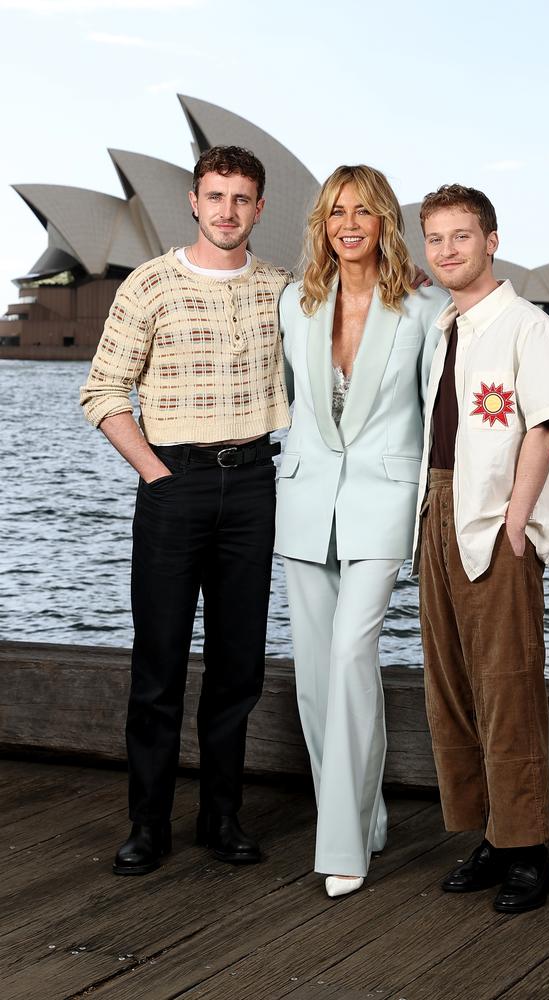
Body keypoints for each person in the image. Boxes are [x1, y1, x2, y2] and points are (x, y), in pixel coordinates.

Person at [80, 146, 291, 875]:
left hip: (255, 481)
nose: (227, 210)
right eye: (215, 196)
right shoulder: (149, 286)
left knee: (239, 667)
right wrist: (157, 476)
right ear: (194, 204)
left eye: (241, 198)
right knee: (159, 663)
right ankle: (148, 825)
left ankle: (222, 818)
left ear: (259, 208)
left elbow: (347, 341)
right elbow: (103, 392)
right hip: (175, 484)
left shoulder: (282, 291)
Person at [275, 165, 449, 898]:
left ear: (384, 223)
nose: (350, 223)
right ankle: (366, 813)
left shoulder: (421, 309)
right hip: (306, 504)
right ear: (323, 222)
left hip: (383, 502)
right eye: (337, 211)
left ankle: (343, 843)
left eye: (365, 211)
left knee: (350, 655)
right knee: (316, 679)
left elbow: (444, 411)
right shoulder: (295, 302)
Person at [413, 184, 549, 913]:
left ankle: (529, 851)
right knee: (452, 686)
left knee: (506, 688)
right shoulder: (445, 326)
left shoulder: (527, 326)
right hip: (439, 509)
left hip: (496, 517)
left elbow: (542, 429)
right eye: (436, 239)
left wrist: (516, 525)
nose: (448, 250)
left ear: (491, 240)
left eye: (461, 235)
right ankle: (490, 832)